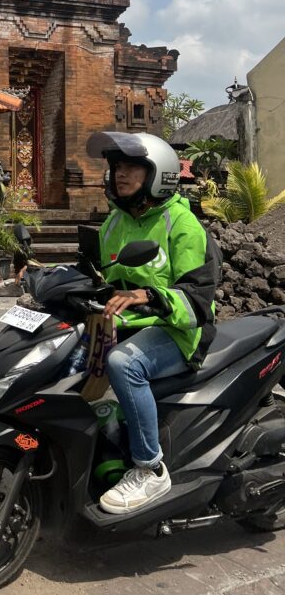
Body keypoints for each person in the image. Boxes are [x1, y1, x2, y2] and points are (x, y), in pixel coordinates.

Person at [85, 131, 220, 515]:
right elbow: (100, 276)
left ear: (158, 173)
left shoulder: (182, 224)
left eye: (131, 167)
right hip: (132, 324)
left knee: (123, 363)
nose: (120, 175)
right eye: (116, 167)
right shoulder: (115, 222)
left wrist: (150, 296)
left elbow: (198, 300)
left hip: (180, 331)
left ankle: (149, 467)